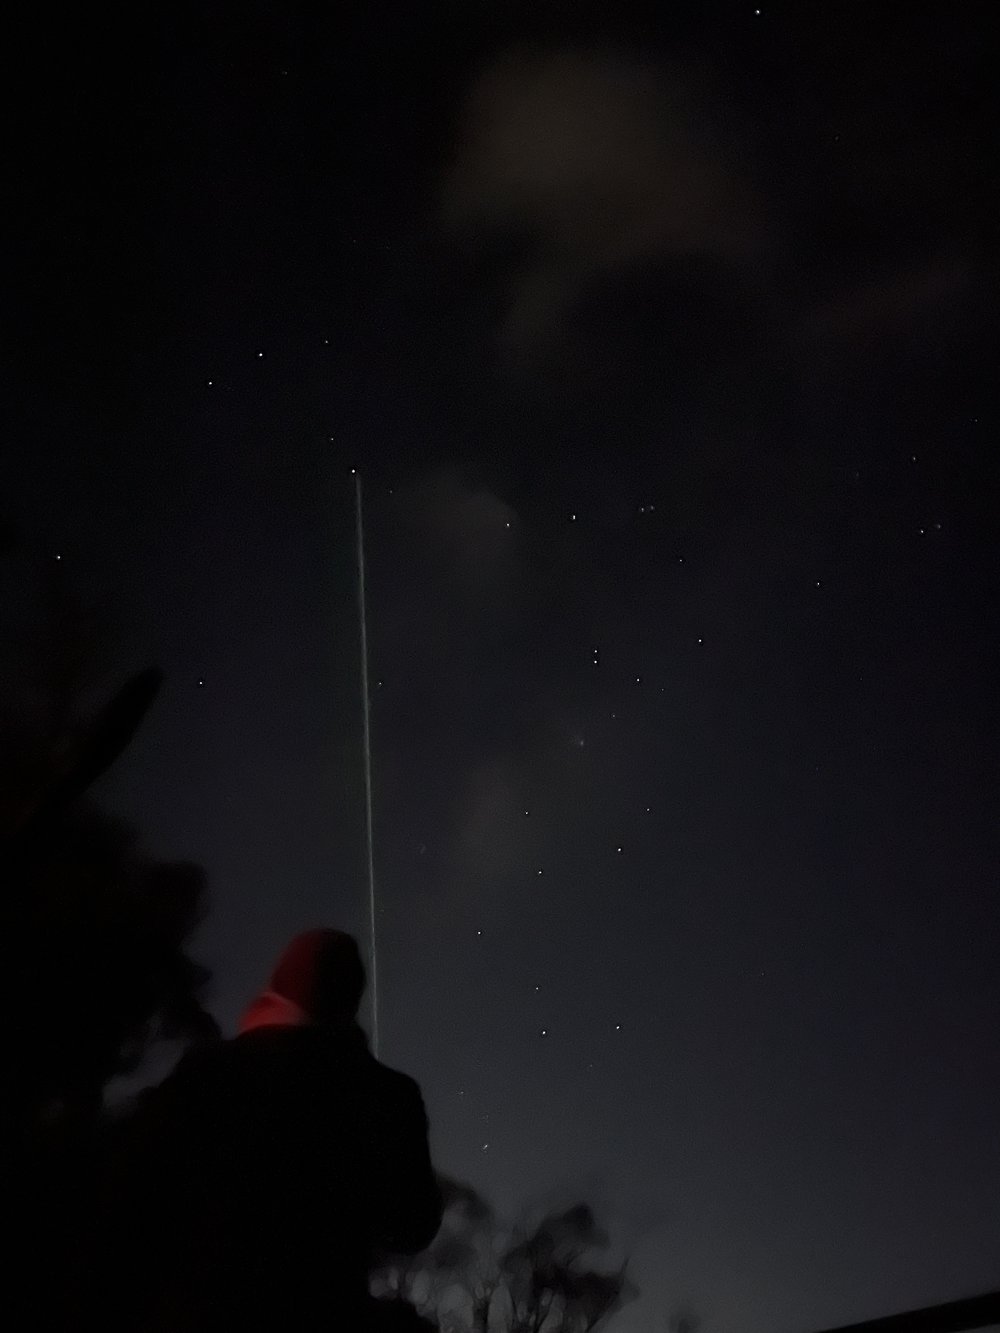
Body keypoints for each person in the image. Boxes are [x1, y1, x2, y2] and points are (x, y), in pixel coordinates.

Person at [97, 929, 442, 1331]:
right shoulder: (387, 1094)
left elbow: (129, 1189)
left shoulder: (210, 1072)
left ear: (279, 986)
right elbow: (412, 1224)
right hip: (323, 1312)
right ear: (352, 1000)